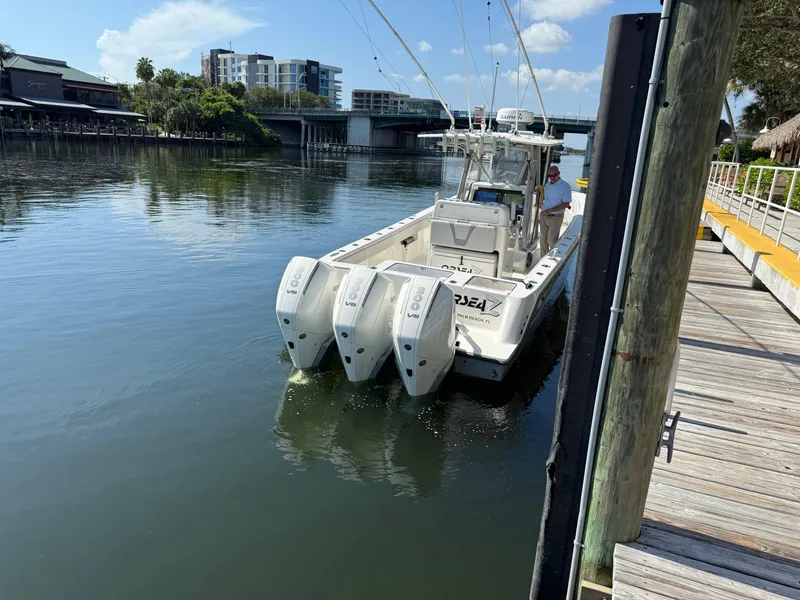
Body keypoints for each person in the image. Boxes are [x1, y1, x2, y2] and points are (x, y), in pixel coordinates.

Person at [539, 166, 572, 254]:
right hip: (543, 215)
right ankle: (543, 260)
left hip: (556, 217)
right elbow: (545, 199)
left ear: (559, 174)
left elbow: (566, 204)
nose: (552, 178)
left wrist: (550, 211)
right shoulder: (547, 185)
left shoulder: (565, 186)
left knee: (551, 240)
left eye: (554, 175)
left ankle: (554, 258)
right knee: (543, 241)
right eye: (550, 176)